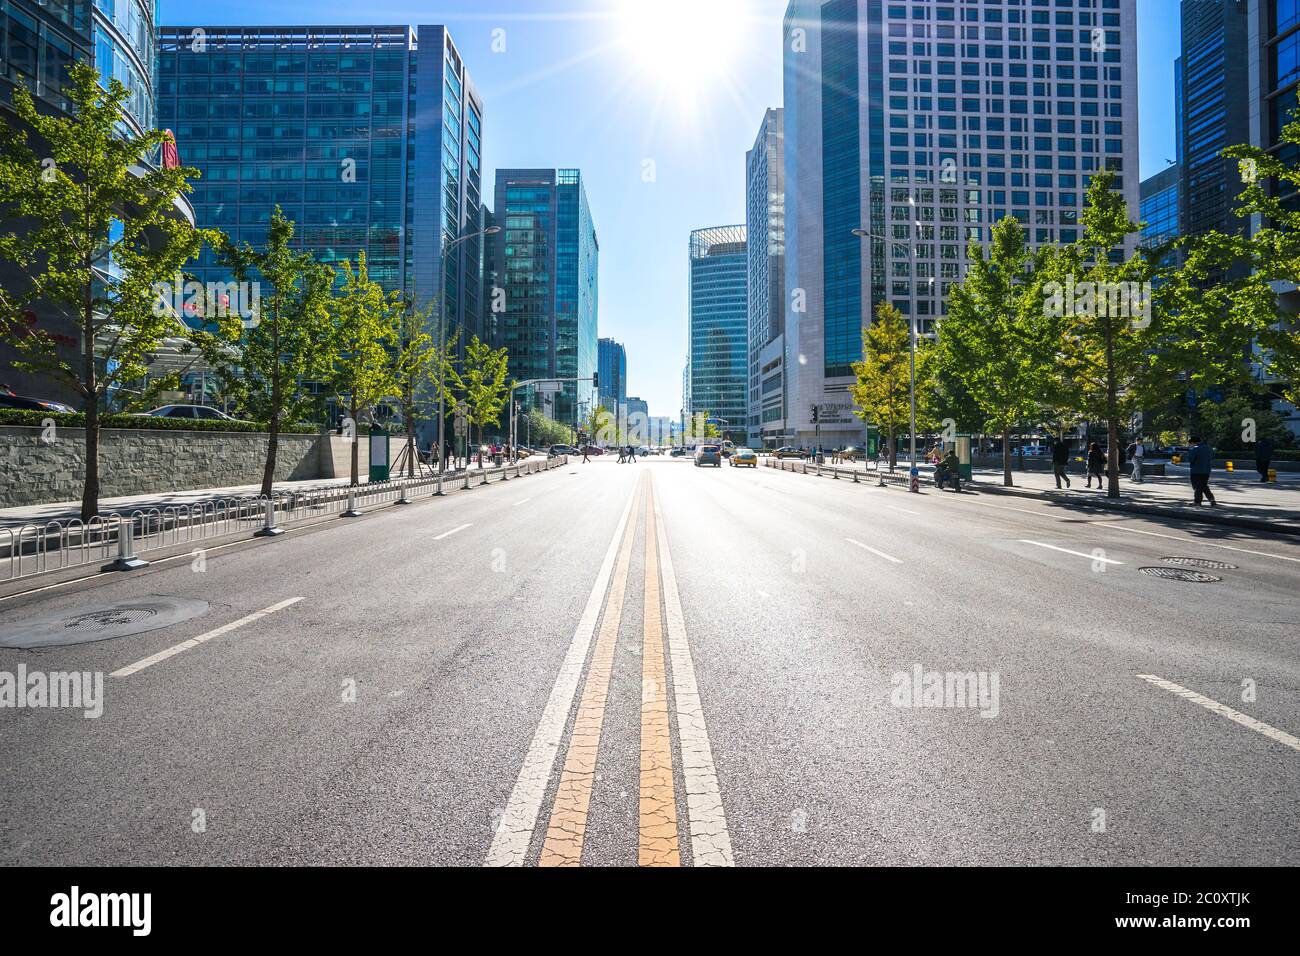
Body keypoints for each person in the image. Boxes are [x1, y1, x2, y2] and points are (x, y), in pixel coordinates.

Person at [1188, 434, 1217, 506]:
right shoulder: (1208, 448)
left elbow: (1190, 459)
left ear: (1193, 442)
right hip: (1206, 471)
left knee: (1197, 486)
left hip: (1196, 471)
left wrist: (1189, 452)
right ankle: (1211, 499)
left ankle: (1197, 502)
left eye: (1190, 443)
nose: (1189, 445)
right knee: (1203, 486)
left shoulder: (1195, 448)